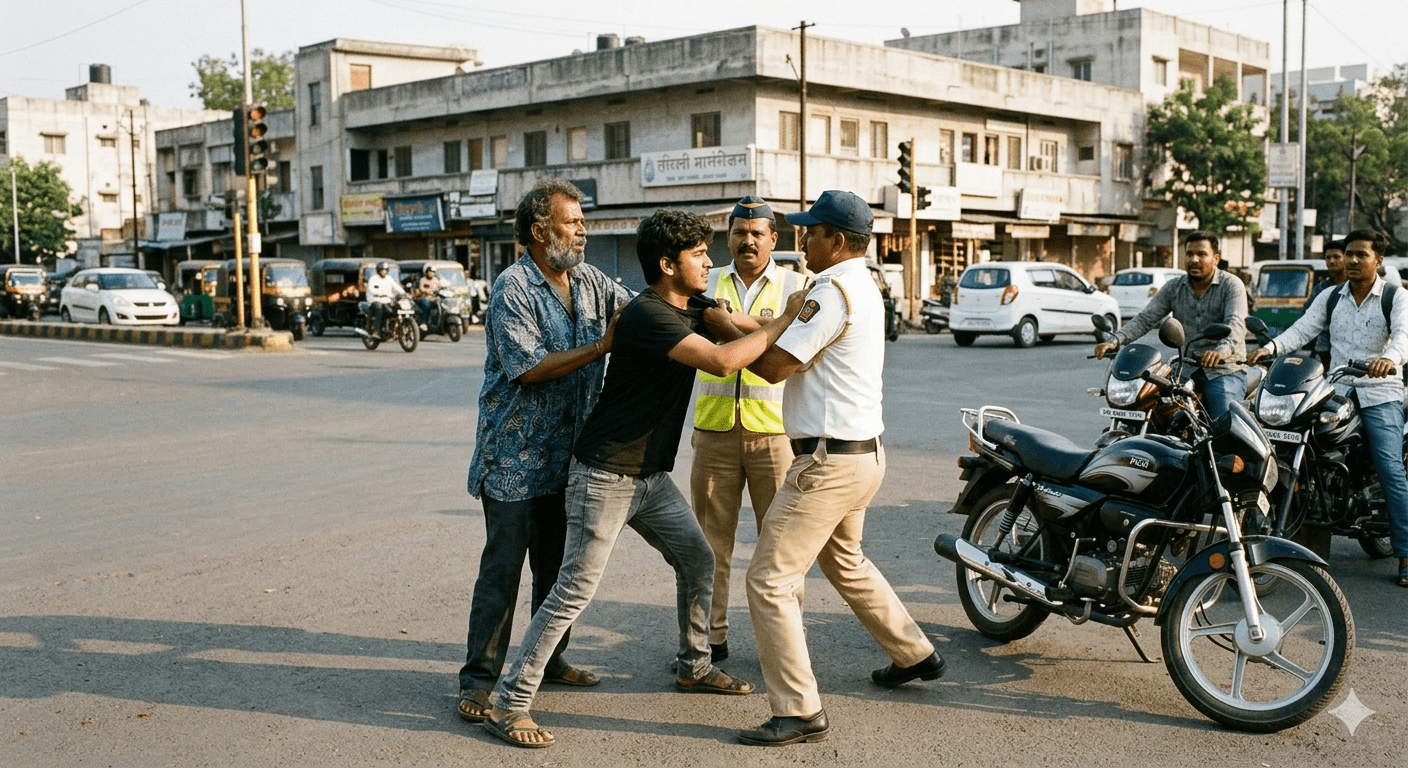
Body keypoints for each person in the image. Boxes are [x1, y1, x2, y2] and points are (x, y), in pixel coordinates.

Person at [481, 209, 803, 749]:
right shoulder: (648, 316)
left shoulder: (696, 305)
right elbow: (724, 362)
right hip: (605, 474)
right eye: (698, 254)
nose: (709, 261)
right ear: (666, 264)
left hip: (648, 477)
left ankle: (694, 666)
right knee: (574, 589)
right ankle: (510, 701)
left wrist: (785, 323)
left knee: (697, 559)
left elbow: (744, 336)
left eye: (707, 251)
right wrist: (787, 316)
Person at [739, 190, 942, 747]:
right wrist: (750, 325)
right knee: (845, 561)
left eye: (812, 231)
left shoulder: (828, 292)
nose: (804, 239)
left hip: (826, 463)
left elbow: (777, 365)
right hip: (862, 455)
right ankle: (914, 653)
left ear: (837, 240)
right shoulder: (865, 285)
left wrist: (727, 339)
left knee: (769, 579)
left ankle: (799, 709)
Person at [457, 178, 631, 726]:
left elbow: (637, 311)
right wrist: (603, 345)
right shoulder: (515, 288)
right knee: (502, 573)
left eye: (582, 221)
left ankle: (549, 659)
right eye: (571, 222)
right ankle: (479, 680)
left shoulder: (590, 281)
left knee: (557, 570)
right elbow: (529, 368)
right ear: (539, 231)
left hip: (568, 458)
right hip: (512, 459)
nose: (582, 230)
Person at [1248, 229, 1408, 588]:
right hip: (1337, 390)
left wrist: (1388, 359)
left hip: (1380, 391)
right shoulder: (1331, 296)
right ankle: (1307, 544)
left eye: (1360, 255)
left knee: (1389, 467)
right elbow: (1303, 329)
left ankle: (1406, 553)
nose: (1352, 260)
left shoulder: (1396, 297)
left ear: (1378, 260)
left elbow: (1403, 337)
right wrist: (1270, 349)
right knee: (1300, 450)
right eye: (1348, 254)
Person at [690, 195, 808, 663]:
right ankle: (708, 641)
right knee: (708, 549)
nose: (748, 241)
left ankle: (784, 649)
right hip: (714, 435)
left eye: (758, 233)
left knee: (780, 552)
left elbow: (796, 342)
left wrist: (731, 324)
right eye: (740, 232)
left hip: (774, 437)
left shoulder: (797, 286)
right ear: (728, 238)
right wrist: (768, 326)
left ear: (773, 240)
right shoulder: (707, 281)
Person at [1093, 230, 1249, 420]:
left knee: (1224, 425)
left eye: (1202, 254)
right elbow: (1146, 318)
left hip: (1223, 371)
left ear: (1216, 259)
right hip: (1186, 369)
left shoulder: (1232, 285)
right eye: (1190, 254)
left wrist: (1220, 352)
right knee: (1157, 412)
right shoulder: (1174, 287)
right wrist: (1116, 340)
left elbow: (1235, 324)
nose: (1194, 259)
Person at [1301, 239, 1347, 367]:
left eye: (1336, 257)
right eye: (1328, 258)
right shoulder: (1321, 288)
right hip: (1325, 347)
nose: (1331, 261)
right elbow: (1307, 315)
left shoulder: (1356, 285)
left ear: (1346, 258)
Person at [365, 261, 406, 336]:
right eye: (382, 270)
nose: (384, 272)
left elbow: (396, 287)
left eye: (385, 270)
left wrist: (404, 293)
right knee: (379, 309)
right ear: (378, 270)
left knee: (396, 309)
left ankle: (393, 328)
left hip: (387, 301)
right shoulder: (373, 279)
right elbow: (371, 289)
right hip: (375, 300)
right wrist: (382, 293)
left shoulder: (389, 278)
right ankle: (376, 331)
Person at [414, 265, 441, 330]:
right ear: (426, 272)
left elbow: (440, 287)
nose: (431, 273)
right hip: (425, 298)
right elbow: (421, 288)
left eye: (432, 272)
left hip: (435, 298)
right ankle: (424, 322)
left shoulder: (436, 280)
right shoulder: (423, 280)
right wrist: (428, 291)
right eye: (429, 272)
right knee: (425, 304)